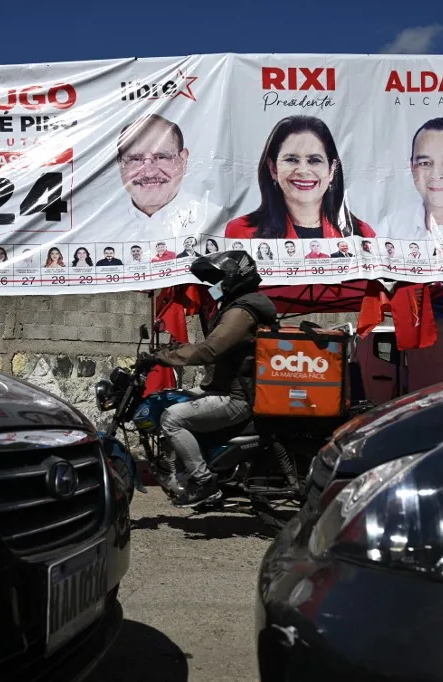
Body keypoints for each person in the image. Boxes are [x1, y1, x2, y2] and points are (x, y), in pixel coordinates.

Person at [145, 250, 277, 507]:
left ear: (236, 276)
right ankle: (189, 463)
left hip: (236, 396)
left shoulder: (242, 311)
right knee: (173, 399)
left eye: (221, 278)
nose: (216, 285)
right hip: (225, 387)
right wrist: (173, 349)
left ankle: (204, 483)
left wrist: (164, 358)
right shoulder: (238, 305)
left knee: (171, 419)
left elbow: (210, 350)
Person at [225, 115, 376, 240]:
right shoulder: (241, 232)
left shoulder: (363, 234)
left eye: (315, 160)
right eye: (291, 159)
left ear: (332, 170)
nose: (303, 170)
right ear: (273, 168)